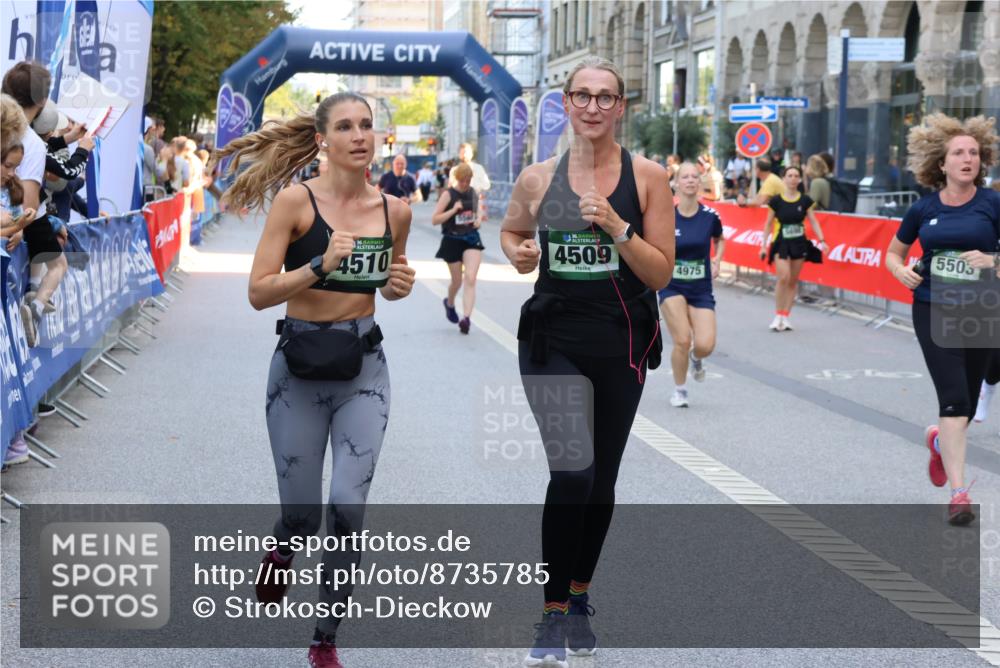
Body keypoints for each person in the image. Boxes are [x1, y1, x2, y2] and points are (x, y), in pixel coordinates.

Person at [214, 91, 416, 668]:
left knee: (347, 507)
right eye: (346, 126)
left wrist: (397, 286)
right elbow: (257, 293)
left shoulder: (394, 212)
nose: (359, 135)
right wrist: (319, 265)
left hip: (364, 368)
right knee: (302, 514)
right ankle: (283, 547)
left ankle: (324, 639)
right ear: (323, 140)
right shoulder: (295, 203)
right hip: (297, 368)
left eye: (367, 126)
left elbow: (388, 284)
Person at [500, 56, 673, 667]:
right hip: (552, 339)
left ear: (621, 107)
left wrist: (621, 229)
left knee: (601, 482)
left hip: (622, 341)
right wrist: (520, 252)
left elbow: (661, 272)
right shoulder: (537, 177)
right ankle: (549, 615)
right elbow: (512, 233)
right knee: (572, 471)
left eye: (606, 97)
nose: (594, 106)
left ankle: (578, 599)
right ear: (567, 103)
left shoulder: (648, 177)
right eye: (583, 96)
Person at [885, 114, 1000, 526]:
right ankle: (959, 492)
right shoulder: (924, 208)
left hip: (984, 309)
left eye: (973, 152)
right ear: (942, 163)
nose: (967, 159)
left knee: (966, 404)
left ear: (981, 161)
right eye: (958, 153)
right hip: (934, 306)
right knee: (952, 400)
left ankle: (938, 442)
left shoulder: (993, 204)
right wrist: (900, 271)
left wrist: (994, 261)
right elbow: (893, 253)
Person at [2, 61, 66, 352]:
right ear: (41, 101)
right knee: (59, 262)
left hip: (15, 219)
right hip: (22, 219)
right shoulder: (32, 143)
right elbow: (28, 203)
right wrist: (18, 226)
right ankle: (36, 304)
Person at [658, 162, 725, 407]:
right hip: (671, 284)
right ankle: (680, 389)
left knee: (706, 344)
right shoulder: (666, 217)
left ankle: (697, 359)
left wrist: (717, 260)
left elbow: (720, 239)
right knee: (683, 339)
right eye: (684, 177)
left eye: (694, 177)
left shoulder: (710, 217)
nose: (690, 180)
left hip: (701, 288)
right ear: (675, 183)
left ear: (700, 182)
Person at [758, 165, 827, 331]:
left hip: (799, 242)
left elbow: (814, 221)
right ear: (784, 179)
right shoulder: (776, 201)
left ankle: (786, 316)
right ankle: (777, 314)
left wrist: (822, 240)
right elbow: (768, 224)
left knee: (793, 281)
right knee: (783, 277)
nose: (793, 179)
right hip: (781, 242)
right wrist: (763, 245)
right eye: (789, 175)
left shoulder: (805, 201)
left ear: (800, 179)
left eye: (796, 176)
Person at [431, 162, 484, 334]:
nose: (465, 184)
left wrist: (478, 220)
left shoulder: (473, 193)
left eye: (468, 180)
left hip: (471, 238)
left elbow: (479, 213)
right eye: (462, 181)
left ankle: (466, 318)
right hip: (452, 239)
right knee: (457, 281)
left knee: (470, 278)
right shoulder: (448, 195)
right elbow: (435, 219)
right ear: (456, 179)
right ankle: (450, 303)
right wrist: (453, 210)